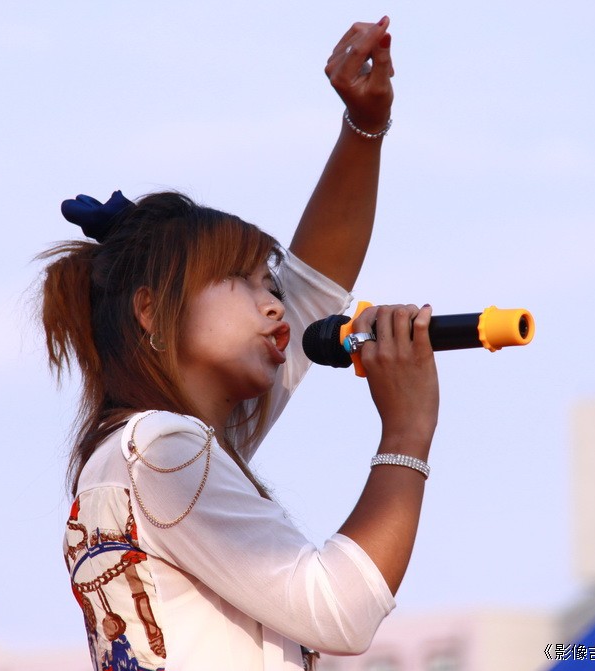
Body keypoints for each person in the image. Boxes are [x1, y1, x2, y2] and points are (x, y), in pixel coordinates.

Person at [40, 17, 439, 671]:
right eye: (241, 279)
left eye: (270, 285)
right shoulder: (165, 449)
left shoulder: (137, 452)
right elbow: (341, 610)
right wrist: (408, 430)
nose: (274, 304)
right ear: (151, 309)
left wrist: (364, 127)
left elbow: (311, 290)